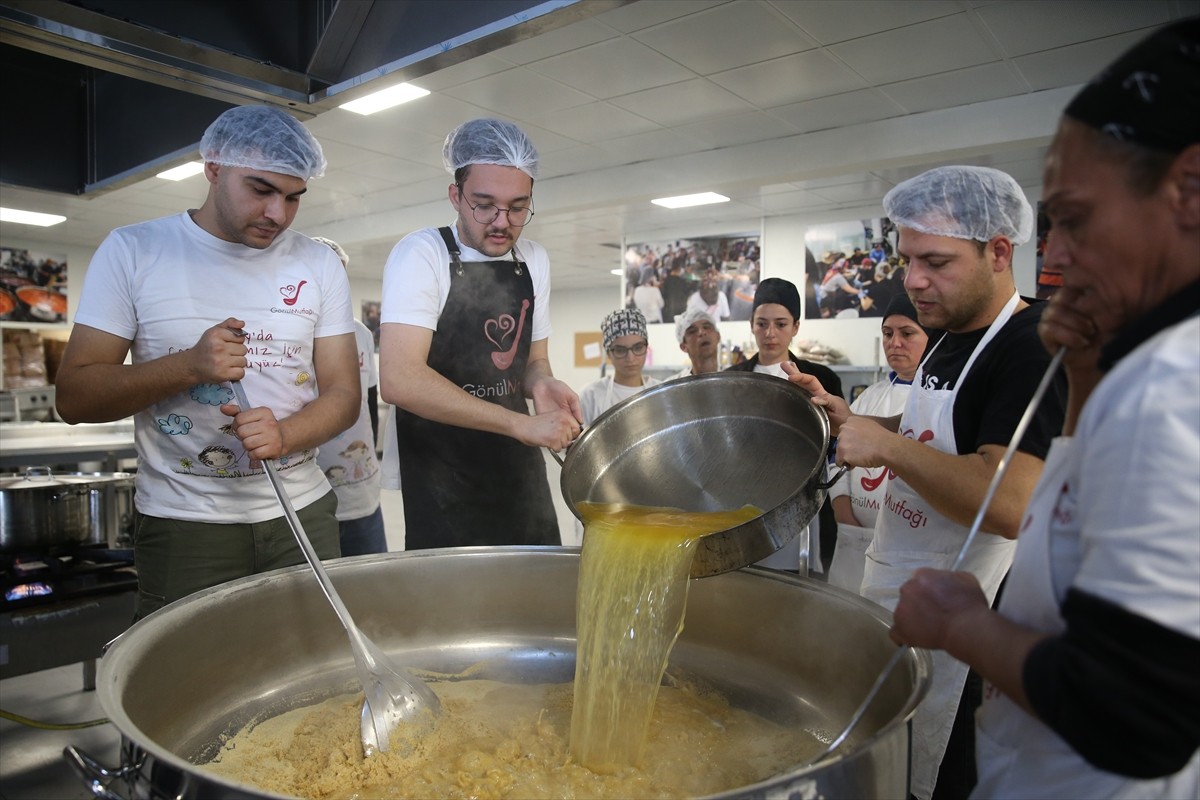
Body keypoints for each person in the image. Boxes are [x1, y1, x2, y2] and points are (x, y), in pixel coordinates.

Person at [890, 19, 1200, 798]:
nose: (1052, 259)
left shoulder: (1170, 385)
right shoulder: (1136, 367)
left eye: (1077, 221)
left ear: (1189, 192)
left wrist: (960, 623)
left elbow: (1134, 712)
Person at [790, 165, 1067, 800]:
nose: (913, 280)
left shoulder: (1031, 347)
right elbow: (935, 429)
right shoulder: (947, 336)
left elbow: (1011, 500)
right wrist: (855, 418)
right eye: (907, 259)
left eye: (935, 261)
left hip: (972, 633)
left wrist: (883, 445)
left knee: (943, 777)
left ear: (999, 252)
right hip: (904, 587)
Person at [54, 105, 359, 619]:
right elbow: (75, 397)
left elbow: (344, 395)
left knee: (316, 674)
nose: (278, 215)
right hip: (185, 523)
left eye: (293, 197)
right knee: (188, 685)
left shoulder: (318, 262)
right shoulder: (134, 251)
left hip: (302, 511)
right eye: (260, 190)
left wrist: (286, 435)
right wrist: (189, 367)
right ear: (213, 168)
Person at [378, 118, 581, 550]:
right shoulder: (423, 255)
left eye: (517, 207)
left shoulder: (533, 260)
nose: (501, 222)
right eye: (484, 205)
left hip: (517, 466)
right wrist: (518, 423)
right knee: (456, 607)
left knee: (530, 592)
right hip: (442, 472)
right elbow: (400, 379)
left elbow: (532, 361)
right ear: (456, 195)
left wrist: (543, 384)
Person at [727, 277, 843, 574]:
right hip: (743, 502)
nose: (770, 334)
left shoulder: (821, 378)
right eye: (762, 323)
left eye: (780, 324)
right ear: (751, 324)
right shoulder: (732, 379)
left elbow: (837, 441)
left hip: (803, 503)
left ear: (796, 327)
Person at [825, 293, 932, 592]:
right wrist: (842, 510)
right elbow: (837, 455)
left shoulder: (935, 401)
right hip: (854, 537)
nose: (894, 343)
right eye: (887, 333)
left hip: (908, 546)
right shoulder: (869, 396)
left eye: (907, 333)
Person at [311, 237, 387, 556]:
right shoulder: (290, 335)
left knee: (373, 591)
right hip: (311, 492)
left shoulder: (361, 334)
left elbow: (367, 401)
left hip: (363, 490)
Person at [577, 309, 660, 425]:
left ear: (646, 349)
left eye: (638, 348)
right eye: (621, 350)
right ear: (608, 353)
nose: (630, 358)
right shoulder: (591, 396)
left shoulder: (660, 392)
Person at [671, 307, 721, 378]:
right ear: (683, 346)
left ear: (718, 336)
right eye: (692, 331)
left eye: (707, 327)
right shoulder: (675, 386)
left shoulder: (734, 382)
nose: (702, 332)